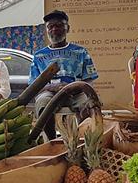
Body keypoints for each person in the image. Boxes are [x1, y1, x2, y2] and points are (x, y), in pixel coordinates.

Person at [29, 10, 98, 139]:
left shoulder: (81, 52)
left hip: (76, 92)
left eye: (59, 25)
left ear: (67, 28)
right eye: (51, 26)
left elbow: (89, 80)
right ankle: (52, 140)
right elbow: (34, 86)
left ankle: (85, 139)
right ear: (47, 30)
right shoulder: (39, 55)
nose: (54, 29)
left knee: (87, 103)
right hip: (49, 92)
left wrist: (75, 87)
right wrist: (54, 88)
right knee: (43, 104)